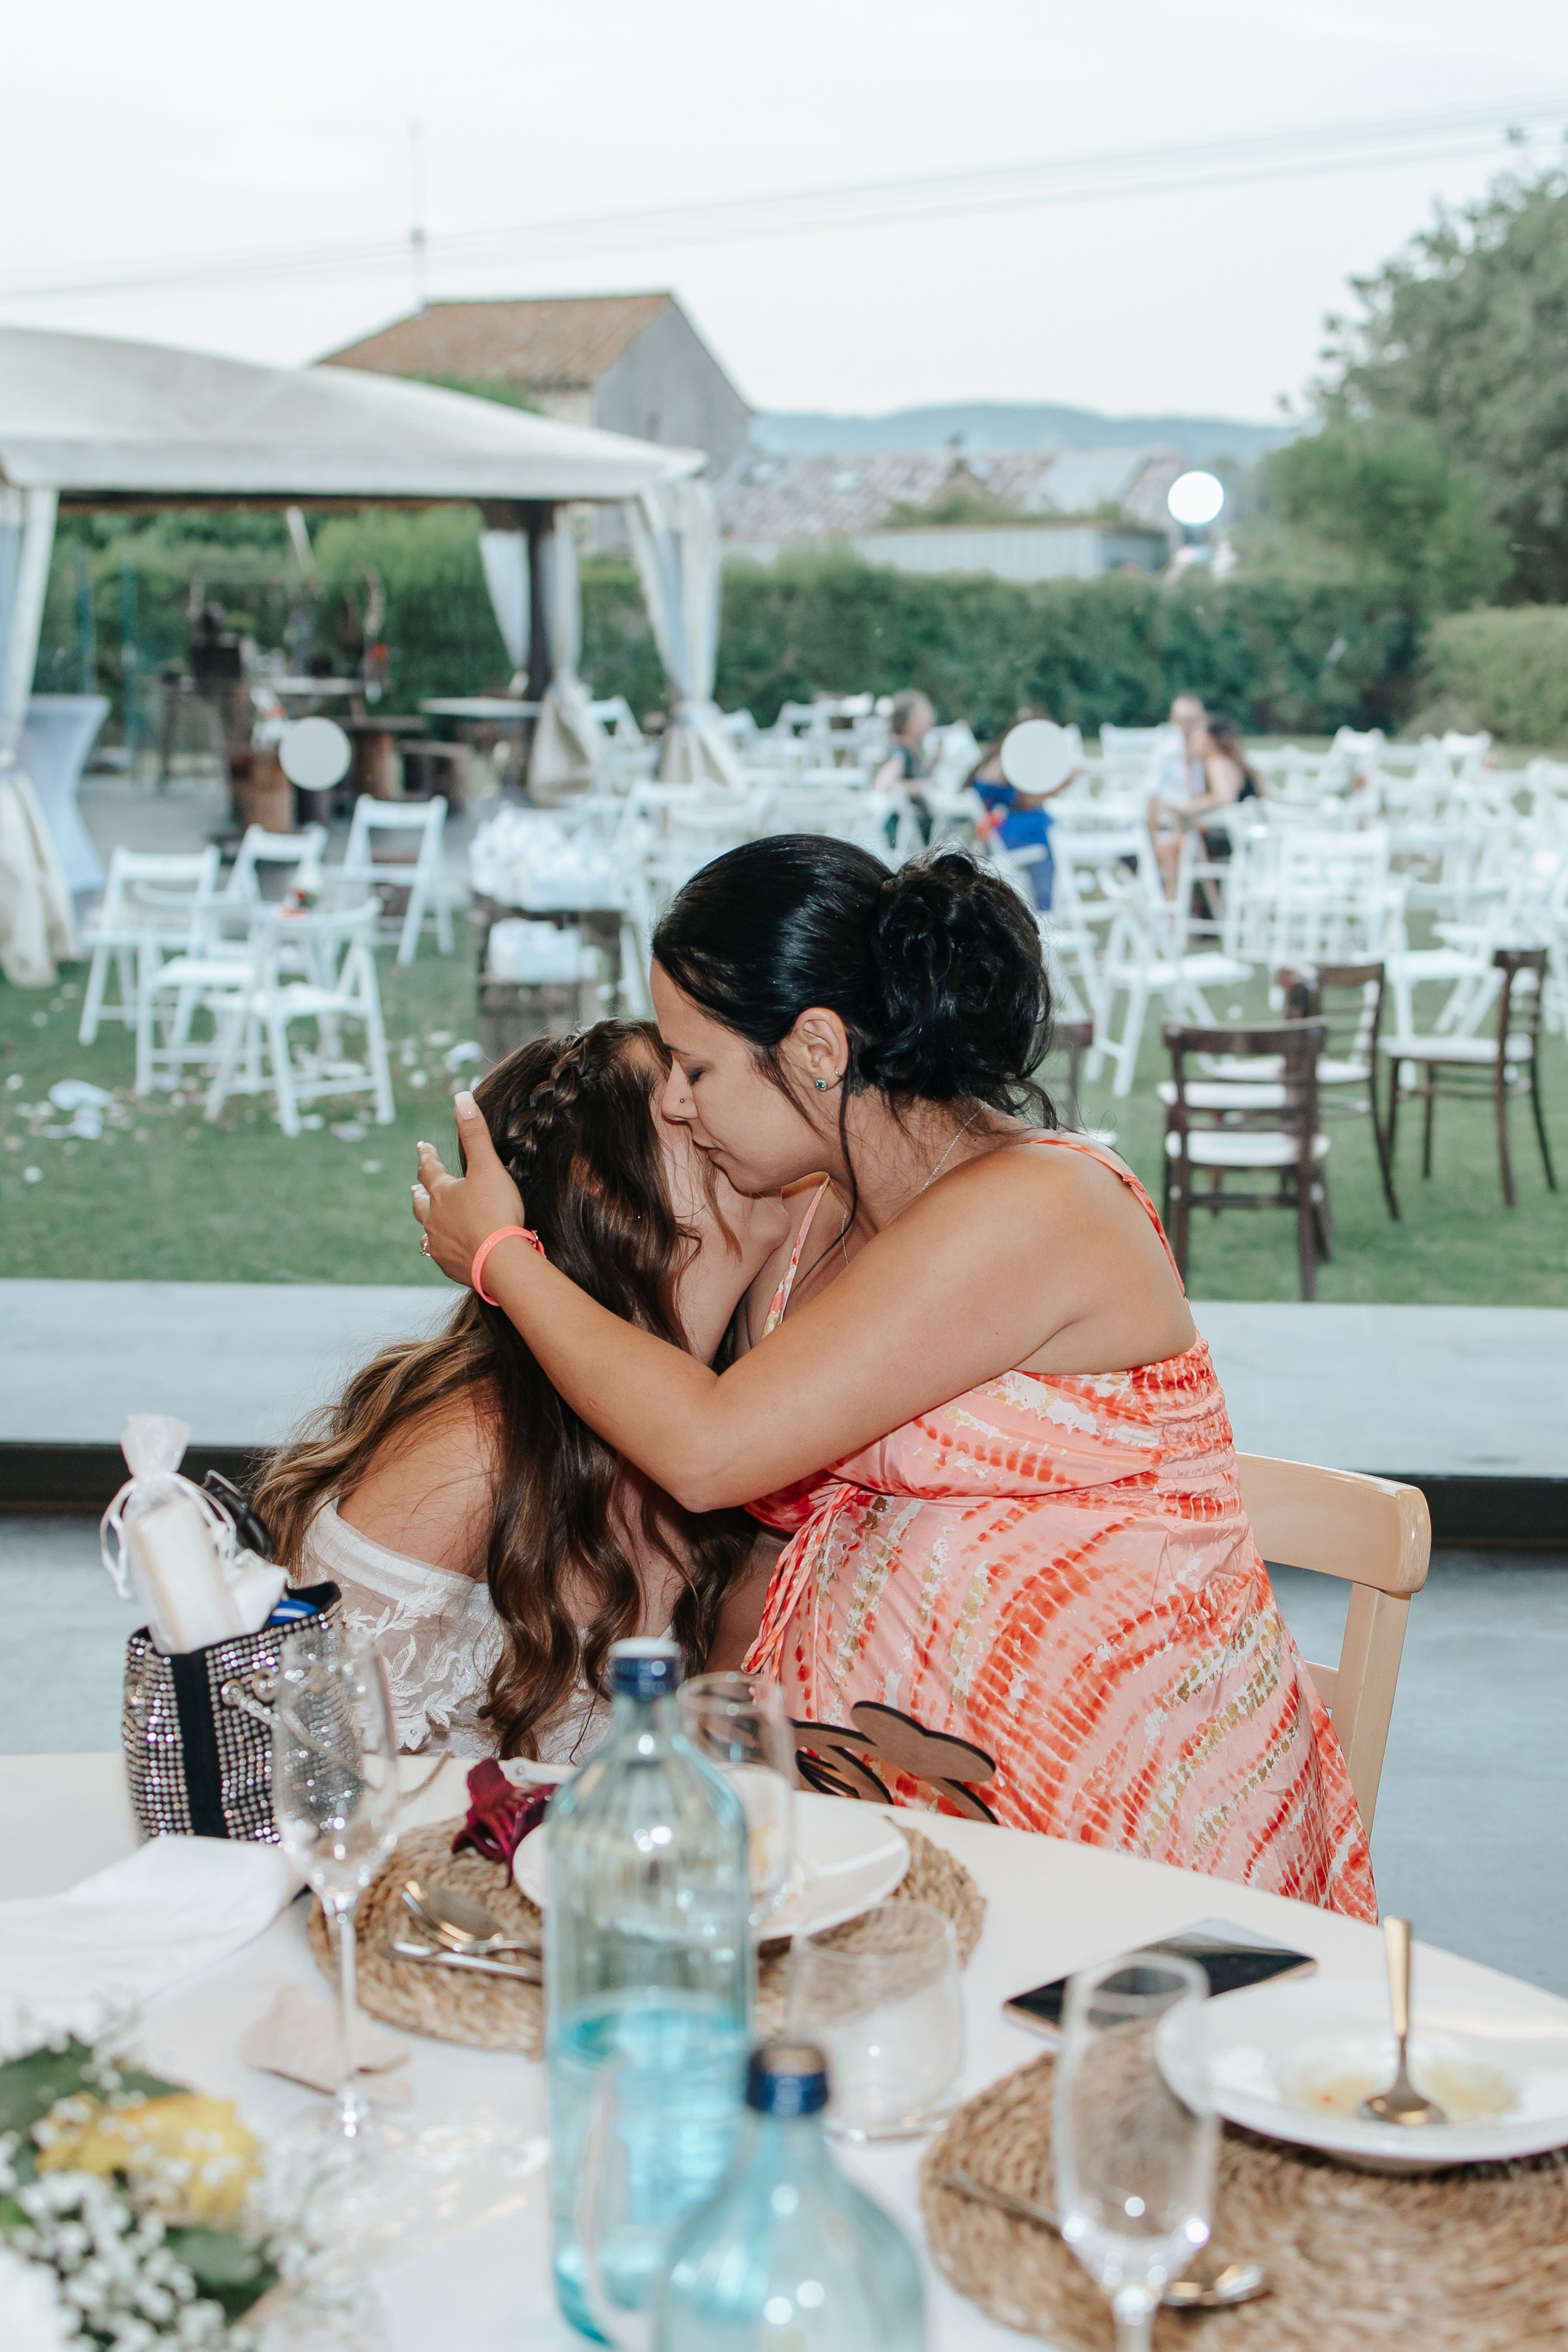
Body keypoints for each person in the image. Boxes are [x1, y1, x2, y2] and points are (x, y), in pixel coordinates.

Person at [412, 841, 1375, 1921]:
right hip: (886, 1792)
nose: (675, 1106)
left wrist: (501, 1260)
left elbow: (710, 1450)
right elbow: (766, 1529)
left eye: (695, 1068)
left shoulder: (1038, 1206)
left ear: (818, 1047)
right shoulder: (822, 1210)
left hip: (1117, 1802)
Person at [255, 1021, 790, 1762]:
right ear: (597, 1180)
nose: (722, 1111)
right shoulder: (473, 1452)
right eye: (684, 1091)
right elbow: (307, 1767)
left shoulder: (746, 1417)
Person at [965, 706, 1081, 910]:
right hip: (1002, 832)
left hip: (997, 829)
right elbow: (1026, 801)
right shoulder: (1007, 763)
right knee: (1044, 826)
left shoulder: (997, 757)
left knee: (1044, 821)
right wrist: (1061, 784)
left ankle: (1050, 901)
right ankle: (1046, 906)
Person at [1147, 705, 1260, 894]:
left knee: (1171, 849)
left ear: (1208, 740)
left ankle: (1172, 901)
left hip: (1230, 839)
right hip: (1241, 839)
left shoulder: (1216, 762)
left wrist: (1183, 808)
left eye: (1195, 736)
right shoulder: (1229, 762)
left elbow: (1224, 797)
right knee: (1178, 844)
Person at [873, 690, 936, 843]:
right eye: (923, 712)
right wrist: (921, 787)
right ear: (909, 720)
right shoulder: (900, 752)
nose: (931, 716)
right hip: (904, 836)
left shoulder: (913, 750)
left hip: (916, 833)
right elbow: (884, 784)